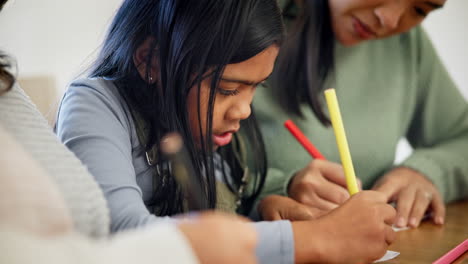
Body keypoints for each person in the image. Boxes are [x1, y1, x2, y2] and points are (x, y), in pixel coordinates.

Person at [56, 0, 397, 263]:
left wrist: (262, 207)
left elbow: (207, 211)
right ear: (150, 61)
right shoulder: (94, 105)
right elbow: (125, 236)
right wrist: (319, 239)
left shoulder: (203, 129)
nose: (244, 110)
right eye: (227, 89)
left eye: (256, 88)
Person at [253, 0, 468, 229]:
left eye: (419, 10)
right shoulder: (242, 17)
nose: (389, 19)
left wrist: (427, 171)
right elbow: (213, 175)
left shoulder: (407, 43)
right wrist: (275, 189)